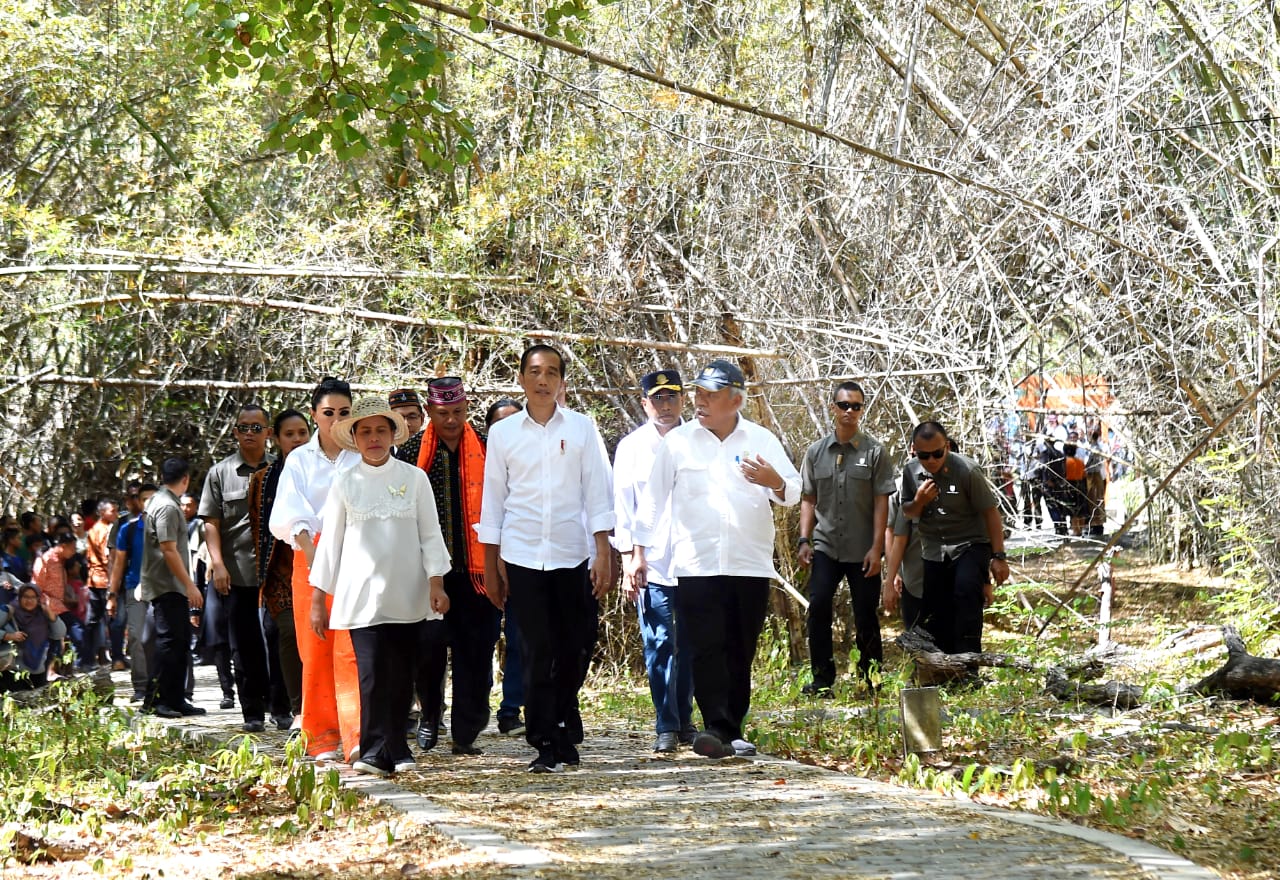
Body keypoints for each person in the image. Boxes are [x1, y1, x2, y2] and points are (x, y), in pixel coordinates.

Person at [631, 359, 801, 760]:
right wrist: (638, 553)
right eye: (699, 393)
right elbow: (652, 502)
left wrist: (774, 481)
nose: (700, 401)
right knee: (705, 647)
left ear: (736, 399)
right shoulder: (679, 441)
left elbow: (794, 491)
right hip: (696, 563)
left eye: (710, 395)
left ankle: (731, 729)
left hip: (748, 563)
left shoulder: (761, 439)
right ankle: (715, 727)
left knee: (740, 647)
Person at [478, 345, 614, 773]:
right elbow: (494, 501)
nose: (542, 380)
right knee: (535, 648)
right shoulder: (503, 434)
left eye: (551, 373)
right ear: (521, 379)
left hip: (572, 554)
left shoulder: (581, 428)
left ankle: (562, 711)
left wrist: (604, 552)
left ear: (561, 382)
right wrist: (491, 565)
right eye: (534, 372)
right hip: (521, 556)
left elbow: (597, 492)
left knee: (574, 646)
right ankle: (546, 740)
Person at [310, 396, 451, 777]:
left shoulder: (414, 478)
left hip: (407, 593)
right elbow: (331, 545)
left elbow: (430, 534)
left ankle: (398, 747)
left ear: (393, 436)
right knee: (371, 673)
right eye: (366, 431)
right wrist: (318, 599)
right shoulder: (344, 482)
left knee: (402, 674)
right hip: (359, 597)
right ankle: (372, 750)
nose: (374, 438)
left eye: (381, 430)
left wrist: (436, 583)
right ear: (355, 437)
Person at [396, 376, 499, 756]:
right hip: (426, 572)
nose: (452, 421)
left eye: (458, 412)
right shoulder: (408, 456)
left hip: (478, 573)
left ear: (467, 408)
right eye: (443, 414)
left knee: (476, 652)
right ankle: (430, 715)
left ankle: (466, 732)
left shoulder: (489, 450)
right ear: (429, 412)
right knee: (427, 651)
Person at [269, 377, 360, 762]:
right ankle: (321, 735)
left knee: (353, 648)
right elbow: (292, 515)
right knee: (315, 647)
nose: (335, 420)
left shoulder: (363, 455)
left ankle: (357, 734)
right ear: (314, 415)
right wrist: (316, 559)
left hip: (358, 556)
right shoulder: (299, 459)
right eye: (328, 413)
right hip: (312, 555)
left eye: (343, 413)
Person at [612, 369, 696, 753]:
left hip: (695, 560)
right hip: (652, 561)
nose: (665, 406)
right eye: (657, 399)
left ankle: (686, 720)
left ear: (683, 400)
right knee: (659, 641)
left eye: (671, 397)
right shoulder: (631, 447)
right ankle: (666, 723)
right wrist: (631, 557)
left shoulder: (698, 439)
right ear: (644, 403)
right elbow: (624, 509)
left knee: (691, 643)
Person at [797, 381, 894, 696]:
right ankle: (822, 679)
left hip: (862, 548)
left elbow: (883, 502)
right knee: (819, 605)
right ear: (833, 408)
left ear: (862, 409)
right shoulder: (816, 452)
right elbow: (809, 498)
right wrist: (803, 539)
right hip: (826, 544)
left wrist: (877, 548)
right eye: (843, 405)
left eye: (855, 406)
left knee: (865, 613)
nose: (849, 411)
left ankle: (871, 679)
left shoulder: (875, 452)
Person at [900, 422, 1010, 657]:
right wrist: (919, 501)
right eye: (924, 455)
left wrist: (998, 556)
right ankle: (943, 667)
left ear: (947, 447)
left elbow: (990, 513)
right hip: (933, 548)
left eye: (937, 453)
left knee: (966, 595)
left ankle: (968, 664)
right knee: (936, 609)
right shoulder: (910, 471)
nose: (931, 460)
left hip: (969, 543)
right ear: (914, 450)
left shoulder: (966, 470)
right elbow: (908, 512)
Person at [200, 404, 275, 733]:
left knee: (276, 641)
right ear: (235, 432)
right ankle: (252, 713)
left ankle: (281, 707)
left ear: (268, 433)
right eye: (243, 427)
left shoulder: (281, 468)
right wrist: (218, 564)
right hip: (237, 573)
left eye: (256, 427)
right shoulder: (220, 473)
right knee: (243, 647)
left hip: (276, 574)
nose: (249, 433)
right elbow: (211, 523)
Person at [250, 408, 312, 732]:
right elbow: (258, 529)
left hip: (319, 565)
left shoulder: (322, 470)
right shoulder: (262, 480)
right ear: (276, 438)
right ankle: (299, 708)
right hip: (280, 573)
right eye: (289, 434)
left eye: (302, 432)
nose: (297, 440)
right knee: (289, 634)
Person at [140, 457, 207, 718]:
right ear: (185, 479)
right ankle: (156, 701)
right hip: (167, 584)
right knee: (169, 642)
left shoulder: (160, 501)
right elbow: (168, 549)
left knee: (179, 642)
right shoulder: (166, 506)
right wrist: (189, 585)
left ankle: (176, 698)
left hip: (172, 584)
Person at [485, 397, 527, 738]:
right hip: (478, 567)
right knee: (485, 642)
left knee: (522, 637)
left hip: (523, 560)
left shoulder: (533, 460)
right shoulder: (477, 461)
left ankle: (512, 708)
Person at [108, 483, 157, 702]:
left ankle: (165, 686)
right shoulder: (126, 527)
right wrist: (111, 594)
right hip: (134, 587)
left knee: (161, 638)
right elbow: (117, 562)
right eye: (142, 498)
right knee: (136, 638)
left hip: (164, 589)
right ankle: (141, 687)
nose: (145, 503)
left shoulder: (168, 523)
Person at [32, 532, 85, 672]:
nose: (74, 552)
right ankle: (51, 672)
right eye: (72, 548)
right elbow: (36, 586)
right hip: (48, 607)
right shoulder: (44, 560)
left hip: (60, 606)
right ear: (63, 546)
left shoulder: (61, 561)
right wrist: (43, 605)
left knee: (70, 633)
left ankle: (69, 668)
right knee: (60, 636)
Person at [1, 585, 67, 691]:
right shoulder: (8, 612)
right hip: (13, 671)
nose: (29, 601)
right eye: (25, 597)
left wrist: (50, 614)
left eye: (33, 597)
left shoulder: (42, 614)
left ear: (38, 599)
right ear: (19, 597)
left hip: (38, 670)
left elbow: (59, 633)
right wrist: (8, 636)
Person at [82, 500, 118, 671]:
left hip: (96, 579)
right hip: (102, 580)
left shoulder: (95, 529)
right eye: (113, 510)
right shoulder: (102, 530)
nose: (116, 513)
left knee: (95, 620)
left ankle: (95, 656)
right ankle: (92, 657)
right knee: (106, 618)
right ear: (102, 512)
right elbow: (107, 558)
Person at [883, 491, 924, 630]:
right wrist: (894, 574)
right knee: (916, 639)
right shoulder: (899, 489)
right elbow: (891, 532)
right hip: (912, 579)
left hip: (947, 577)